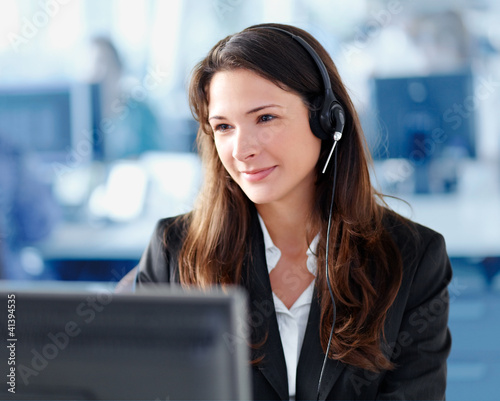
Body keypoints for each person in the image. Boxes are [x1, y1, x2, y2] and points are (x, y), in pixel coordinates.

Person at [133, 23, 452, 400]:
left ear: (327, 121)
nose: (241, 149)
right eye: (223, 126)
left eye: (265, 118)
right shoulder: (174, 253)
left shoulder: (412, 258)